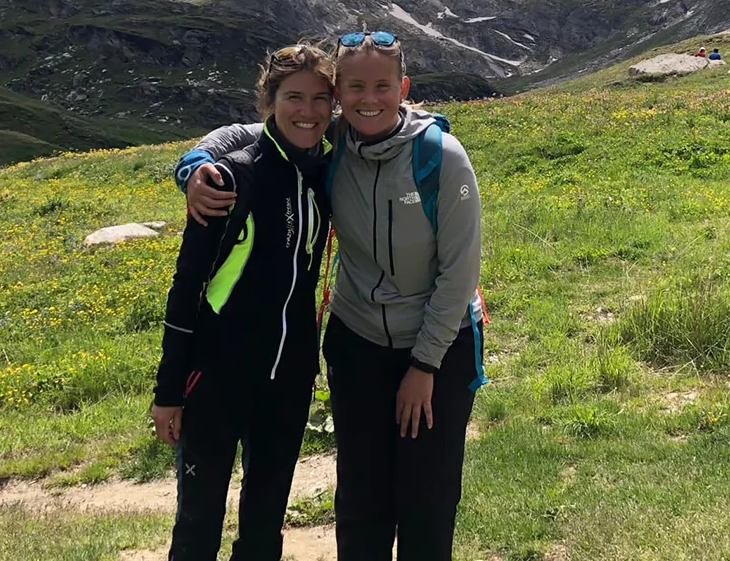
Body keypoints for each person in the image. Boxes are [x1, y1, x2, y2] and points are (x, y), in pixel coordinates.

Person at [177, 31, 485, 561]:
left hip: (438, 350)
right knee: (361, 497)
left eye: (383, 86)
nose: (369, 98)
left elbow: (459, 273)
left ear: (403, 87)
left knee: (427, 497)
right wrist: (193, 165)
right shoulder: (331, 141)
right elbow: (247, 132)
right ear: (340, 94)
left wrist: (424, 365)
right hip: (357, 342)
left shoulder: (442, 157)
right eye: (355, 87)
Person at [152, 44, 334, 561]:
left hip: (291, 374)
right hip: (214, 379)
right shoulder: (229, 178)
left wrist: (430, 123)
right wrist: (169, 391)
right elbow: (186, 288)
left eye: (321, 98)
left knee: (265, 521)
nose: (308, 110)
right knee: (198, 522)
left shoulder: (325, 170)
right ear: (268, 100)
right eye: (294, 97)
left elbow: (385, 121)